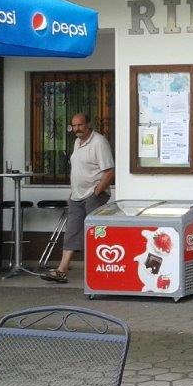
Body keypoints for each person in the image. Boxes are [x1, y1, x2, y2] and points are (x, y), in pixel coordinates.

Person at [42, 113, 114, 283]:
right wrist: (73, 191)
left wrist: (96, 192)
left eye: (80, 125)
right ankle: (62, 271)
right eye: (73, 126)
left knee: (95, 233)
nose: (76, 129)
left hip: (94, 195)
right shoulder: (77, 142)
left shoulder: (99, 142)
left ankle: (100, 272)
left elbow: (110, 171)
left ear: (88, 125)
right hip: (76, 196)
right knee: (72, 232)